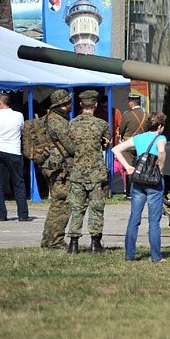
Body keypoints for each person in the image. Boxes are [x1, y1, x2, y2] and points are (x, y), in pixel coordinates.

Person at [112, 112, 167, 263]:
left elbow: (115, 149)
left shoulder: (139, 138)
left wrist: (128, 167)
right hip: (154, 182)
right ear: (160, 126)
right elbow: (161, 151)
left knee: (134, 218)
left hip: (138, 181)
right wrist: (161, 169)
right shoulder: (160, 138)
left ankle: (130, 255)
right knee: (154, 221)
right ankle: (156, 256)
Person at [66, 90, 111, 254]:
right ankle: (95, 244)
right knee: (96, 209)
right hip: (96, 174)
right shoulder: (102, 125)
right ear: (96, 105)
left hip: (77, 173)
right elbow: (107, 144)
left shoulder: (71, 124)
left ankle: (73, 244)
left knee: (77, 209)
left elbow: (68, 147)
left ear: (80, 104)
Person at [39, 89, 77, 249]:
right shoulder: (59, 122)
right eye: (69, 102)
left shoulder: (50, 118)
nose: (71, 105)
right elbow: (70, 146)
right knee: (63, 204)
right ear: (63, 104)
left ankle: (48, 240)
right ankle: (55, 240)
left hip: (52, 165)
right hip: (59, 168)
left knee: (57, 203)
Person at [0, 93, 29, 222]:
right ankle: (22, 214)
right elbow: (21, 129)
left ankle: (1, 214)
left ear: (0, 103)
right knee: (18, 182)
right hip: (13, 150)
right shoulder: (18, 116)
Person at [118, 93, 147, 196]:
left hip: (129, 144)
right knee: (141, 166)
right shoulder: (146, 115)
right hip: (142, 144)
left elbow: (122, 128)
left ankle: (130, 192)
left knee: (128, 167)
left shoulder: (127, 115)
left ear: (131, 103)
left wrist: (121, 136)